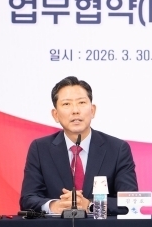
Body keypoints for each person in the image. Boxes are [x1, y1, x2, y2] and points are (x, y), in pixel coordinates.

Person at [20, 76, 138, 213]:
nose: (75, 110)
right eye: (66, 104)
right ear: (55, 115)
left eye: (81, 102)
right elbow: (28, 199)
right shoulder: (40, 149)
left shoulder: (117, 149)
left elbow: (130, 202)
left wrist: (90, 205)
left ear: (92, 110)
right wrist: (54, 206)